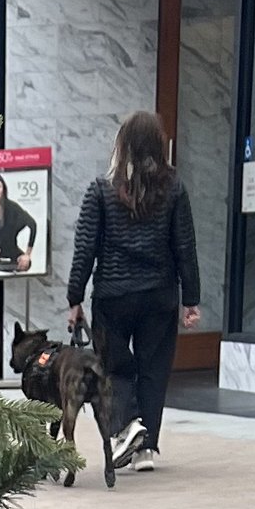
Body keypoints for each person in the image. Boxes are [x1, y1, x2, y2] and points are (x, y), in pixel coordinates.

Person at [65, 109, 202, 471]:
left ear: (122, 145)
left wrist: (74, 298)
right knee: (154, 369)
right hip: (159, 295)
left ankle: (128, 428)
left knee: (114, 366)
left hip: (113, 295)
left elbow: (85, 248)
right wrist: (191, 300)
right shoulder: (174, 188)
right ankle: (145, 449)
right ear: (159, 146)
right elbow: (185, 246)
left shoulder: (102, 189)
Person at [0, 168, 37, 275]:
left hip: (12, 250)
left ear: (3, 189)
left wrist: (27, 254)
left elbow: (32, 224)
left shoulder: (12, 207)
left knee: (26, 265)